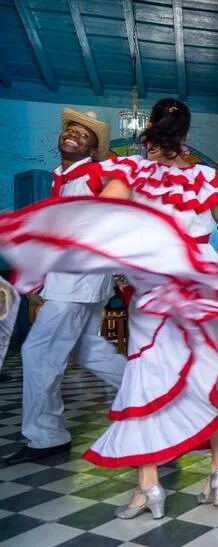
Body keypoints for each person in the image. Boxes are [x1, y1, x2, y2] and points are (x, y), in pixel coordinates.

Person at [0, 98, 218, 518]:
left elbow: (100, 217)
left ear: (151, 128)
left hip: (158, 286)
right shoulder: (206, 176)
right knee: (213, 377)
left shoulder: (133, 171)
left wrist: (55, 241)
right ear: (186, 135)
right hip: (203, 284)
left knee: (146, 381)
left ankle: (147, 487)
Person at [2, 108, 127, 468]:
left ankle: (46, 436)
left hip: (76, 278)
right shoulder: (67, 179)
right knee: (91, 352)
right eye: (71, 129)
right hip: (77, 278)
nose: (74, 134)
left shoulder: (92, 176)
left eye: (84, 134)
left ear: (92, 148)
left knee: (38, 353)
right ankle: (160, 401)